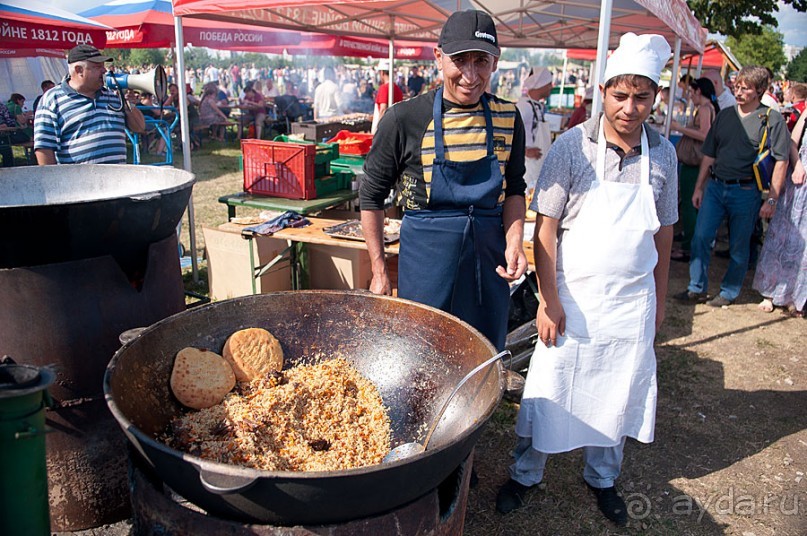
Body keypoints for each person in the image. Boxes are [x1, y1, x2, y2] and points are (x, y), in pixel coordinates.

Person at [496, 33, 677, 527]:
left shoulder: (663, 154)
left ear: (655, 98)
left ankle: (602, 477)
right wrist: (548, 300)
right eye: (620, 96)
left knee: (618, 390)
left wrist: (660, 300)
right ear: (602, 92)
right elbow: (545, 230)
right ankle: (525, 474)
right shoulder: (572, 147)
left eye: (641, 97)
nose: (630, 108)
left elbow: (664, 234)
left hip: (631, 301)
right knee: (549, 388)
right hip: (574, 298)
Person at [360, 9, 528, 352]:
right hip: (427, 266)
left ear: (495, 62)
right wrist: (379, 270)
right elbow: (371, 196)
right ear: (438, 57)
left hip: (488, 267)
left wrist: (515, 243)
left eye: (481, 61)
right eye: (459, 60)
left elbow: (514, 189)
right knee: (421, 354)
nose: (470, 75)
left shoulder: (509, 117)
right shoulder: (404, 119)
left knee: (482, 357)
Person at [674, 65, 790, 307]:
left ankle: (728, 292)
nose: (738, 92)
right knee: (700, 237)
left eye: (745, 88)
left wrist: (772, 199)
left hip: (746, 191)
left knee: (739, 246)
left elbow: (781, 161)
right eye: (737, 87)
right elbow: (710, 153)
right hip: (716, 186)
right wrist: (699, 187)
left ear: (759, 90)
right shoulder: (725, 115)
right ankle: (696, 287)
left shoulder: (772, 119)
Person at [34, 44, 145, 165]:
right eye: (97, 67)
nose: (104, 70)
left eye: (103, 66)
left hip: (116, 176)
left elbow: (139, 127)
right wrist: (54, 176)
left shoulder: (113, 96)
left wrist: (129, 106)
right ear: (79, 70)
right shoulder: (52, 100)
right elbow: (44, 149)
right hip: (77, 177)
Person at [753, 107, 807, 317]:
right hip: (799, 183)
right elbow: (792, 142)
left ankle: (796, 297)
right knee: (783, 238)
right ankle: (770, 292)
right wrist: (798, 165)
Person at [669, 77, 720, 262]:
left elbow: (705, 134)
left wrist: (679, 128)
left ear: (699, 91)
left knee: (689, 206)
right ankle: (692, 244)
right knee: (693, 206)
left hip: (694, 163)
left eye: (691, 92)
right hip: (698, 163)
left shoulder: (705, 109)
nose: (690, 96)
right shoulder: (710, 108)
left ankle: (688, 247)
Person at [516, 67, 553, 196]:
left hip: (537, 162)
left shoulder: (536, 106)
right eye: (548, 83)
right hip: (528, 164)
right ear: (540, 84)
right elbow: (512, 133)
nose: (550, 87)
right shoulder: (524, 107)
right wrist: (525, 151)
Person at [371, 62, 404, 134]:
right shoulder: (397, 88)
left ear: (382, 73)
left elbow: (383, 109)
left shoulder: (384, 88)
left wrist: (378, 130)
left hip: (386, 130)